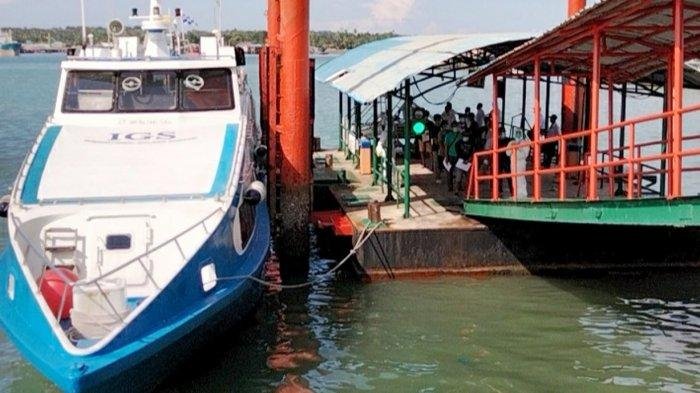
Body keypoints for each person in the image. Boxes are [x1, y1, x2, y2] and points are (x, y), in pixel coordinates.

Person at [443, 125, 460, 192]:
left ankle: (457, 186)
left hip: (457, 156)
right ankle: (450, 186)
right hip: (450, 156)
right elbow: (446, 147)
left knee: (457, 172)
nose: (456, 128)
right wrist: (446, 157)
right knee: (449, 172)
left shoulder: (460, 135)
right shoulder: (449, 135)